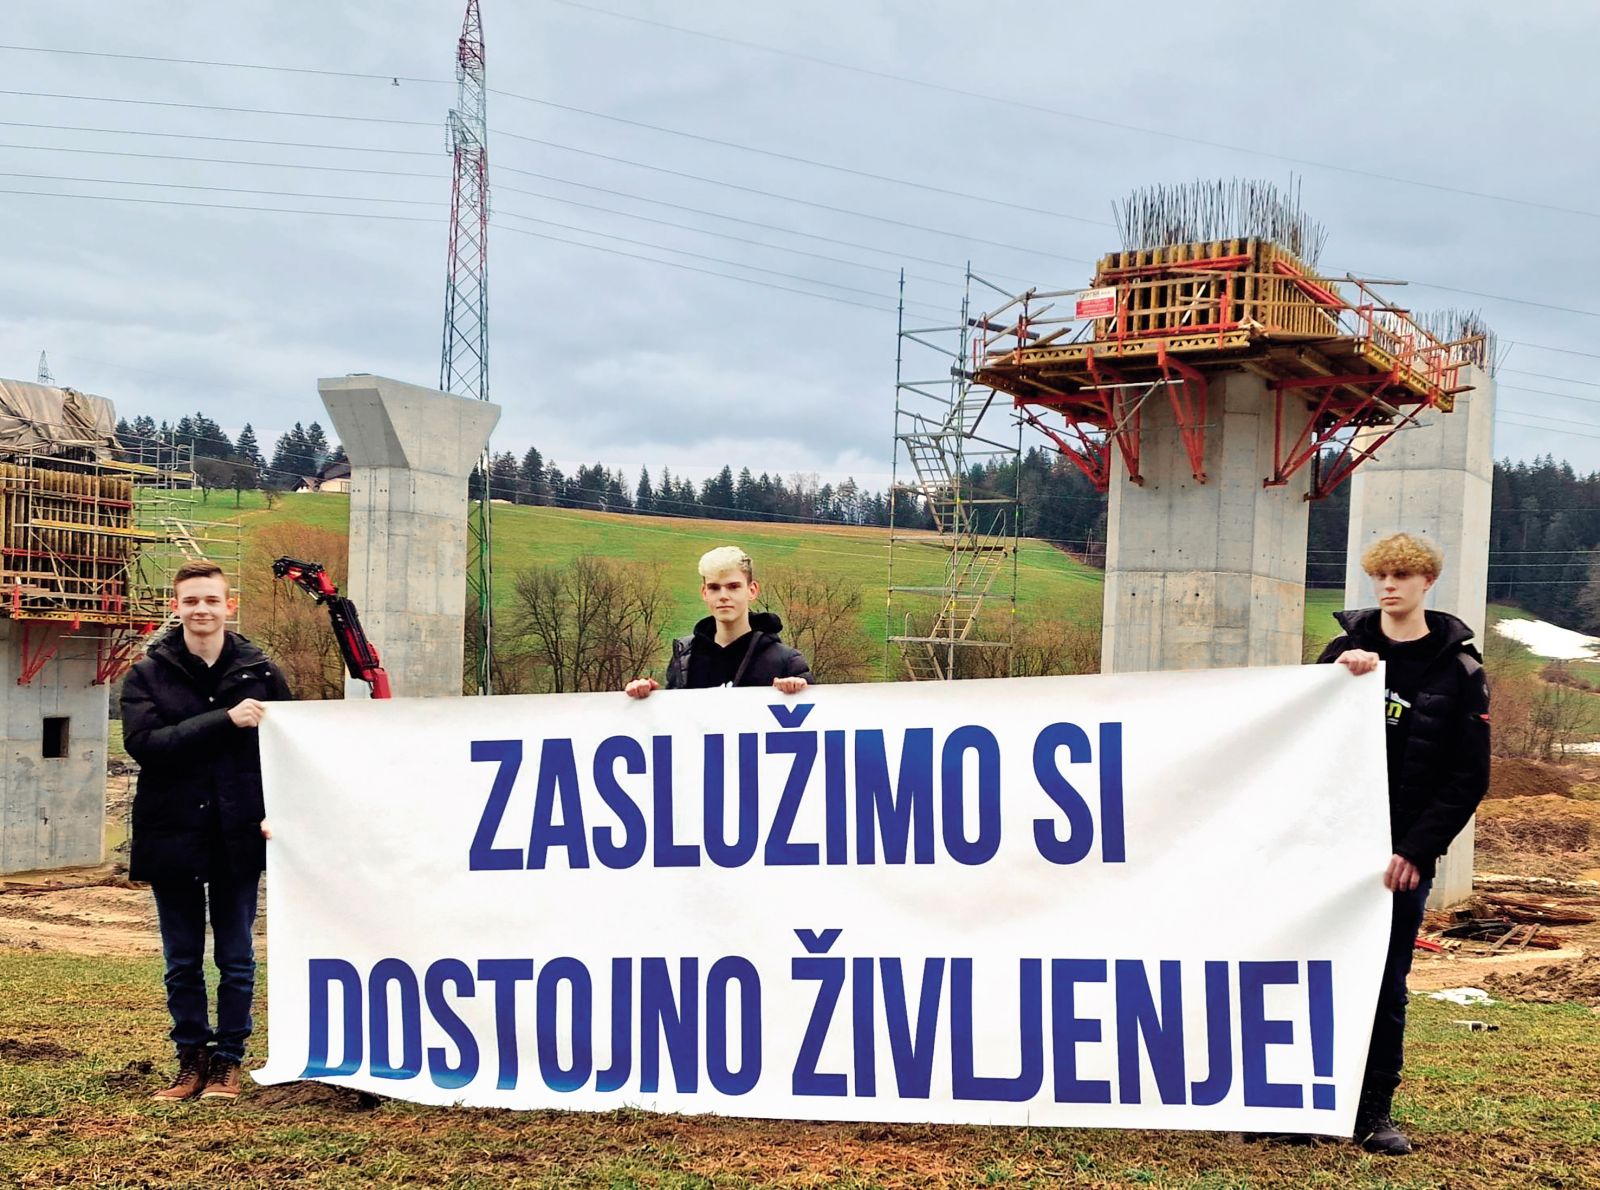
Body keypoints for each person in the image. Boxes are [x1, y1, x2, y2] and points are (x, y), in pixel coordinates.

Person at [1319, 533, 1490, 1155]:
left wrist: (1416, 851)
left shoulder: (1460, 669)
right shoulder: (1341, 652)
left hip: (1400, 861)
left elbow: (1468, 776)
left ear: (1427, 583)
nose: (1389, 585)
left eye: (1402, 575)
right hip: (1328, 851)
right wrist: (1336, 678)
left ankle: (1373, 1112)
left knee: (1385, 982)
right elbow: (1296, 732)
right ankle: (1303, 1103)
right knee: (1316, 974)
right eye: (1381, 575)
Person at [121, 559, 292, 1102]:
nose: (201, 610)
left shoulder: (261, 671)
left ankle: (228, 1063)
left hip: (238, 829)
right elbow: (145, 745)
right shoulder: (146, 673)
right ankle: (190, 1061)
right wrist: (224, 720)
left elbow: (292, 748)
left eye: (211, 600)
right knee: (182, 959)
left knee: (237, 957)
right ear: (178, 607)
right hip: (172, 830)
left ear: (228, 605)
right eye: (191, 601)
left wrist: (279, 809)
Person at [625, 545, 811, 697]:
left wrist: (800, 692)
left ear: (752, 590)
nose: (723, 596)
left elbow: (814, 723)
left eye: (733, 587)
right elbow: (673, 723)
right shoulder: (685, 658)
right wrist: (648, 700)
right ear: (704, 593)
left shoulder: (787, 661)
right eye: (714, 588)